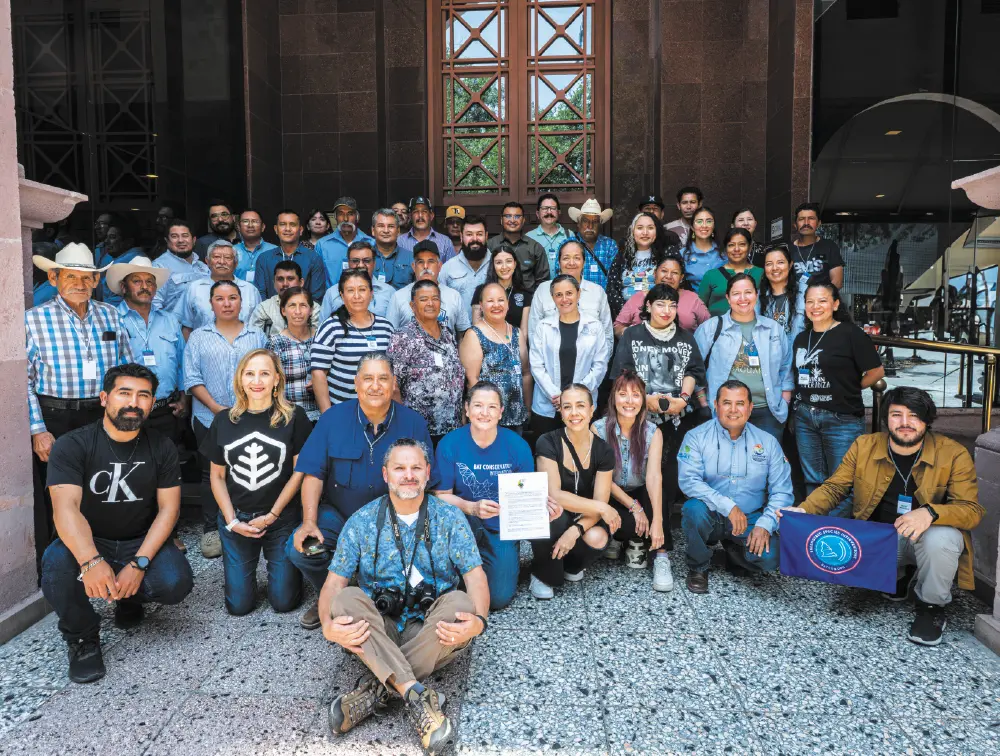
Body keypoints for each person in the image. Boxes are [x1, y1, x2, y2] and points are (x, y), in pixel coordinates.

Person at [321, 439, 487, 752]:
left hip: (429, 629)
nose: (408, 475)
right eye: (400, 468)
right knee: (343, 602)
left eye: (415, 468)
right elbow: (333, 584)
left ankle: (377, 689)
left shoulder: (450, 518)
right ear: (385, 474)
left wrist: (479, 622)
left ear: (427, 473)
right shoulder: (362, 520)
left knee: (462, 604)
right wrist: (327, 626)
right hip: (378, 627)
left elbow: (475, 576)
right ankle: (417, 694)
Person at [784, 387, 984, 646]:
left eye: (914, 416)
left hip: (920, 541)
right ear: (886, 418)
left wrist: (931, 512)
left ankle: (931, 609)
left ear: (927, 419)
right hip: (880, 541)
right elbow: (835, 488)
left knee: (942, 538)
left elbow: (971, 510)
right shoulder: (864, 446)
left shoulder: (953, 453)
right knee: (848, 543)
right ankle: (898, 577)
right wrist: (804, 510)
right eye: (896, 415)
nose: (904, 423)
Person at [40, 364, 193, 683]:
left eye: (143, 395)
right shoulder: (73, 444)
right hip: (90, 541)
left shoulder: (161, 445)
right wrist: (91, 560)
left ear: (152, 403)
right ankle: (82, 637)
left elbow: (168, 510)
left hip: (138, 539)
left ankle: (129, 596)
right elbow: (65, 509)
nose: (134, 402)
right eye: (124, 393)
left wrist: (139, 564)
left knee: (175, 581)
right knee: (55, 566)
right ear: (104, 398)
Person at [287, 352, 435, 630]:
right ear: (356, 383)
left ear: (393, 384)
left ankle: (369, 597)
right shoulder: (332, 419)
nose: (375, 385)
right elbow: (312, 474)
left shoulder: (413, 423)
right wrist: (308, 522)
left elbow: (426, 480)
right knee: (303, 550)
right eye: (368, 378)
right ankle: (333, 596)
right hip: (339, 517)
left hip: (394, 520)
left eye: (383, 378)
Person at [27, 244, 134, 569]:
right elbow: (24, 381)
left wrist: (126, 414)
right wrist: (38, 430)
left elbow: (126, 369)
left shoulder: (110, 315)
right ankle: (64, 569)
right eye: (71, 276)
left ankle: (106, 559)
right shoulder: (34, 320)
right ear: (54, 277)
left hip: (103, 417)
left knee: (107, 489)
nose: (80, 283)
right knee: (61, 494)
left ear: (95, 281)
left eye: (87, 278)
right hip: (56, 417)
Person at [202, 349, 313, 616]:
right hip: (236, 519)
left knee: (284, 602)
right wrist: (231, 522)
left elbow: (300, 473)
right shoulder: (224, 420)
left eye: (265, 373)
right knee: (239, 606)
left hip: (281, 519)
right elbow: (216, 476)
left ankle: (286, 574)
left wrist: (273, 515)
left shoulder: (294, 417)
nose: (257, 380)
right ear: (240, 379)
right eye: (250, 373)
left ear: (277, 379)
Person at [678, 380, 792, 594]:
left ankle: (735, 554)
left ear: (750, 408)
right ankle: (698, 566)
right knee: (693, 509)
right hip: (710, 514)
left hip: (750, 517)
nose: (733, 410)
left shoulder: (768, 443)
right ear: (715, 405)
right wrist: (728, 506)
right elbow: (689, 481)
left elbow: (782, 492)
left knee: (773, 556)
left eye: (740, 403)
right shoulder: (696, 437)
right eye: (726, 403)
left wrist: (765, 525)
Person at [611, 283, 706, 533]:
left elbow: (694, 370)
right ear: (648, 306)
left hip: (678, 419)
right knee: (634, 473)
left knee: (667, 477)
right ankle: (632, 533)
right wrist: (646, 399)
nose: (667, 310)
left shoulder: (686, 337)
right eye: (660, 304)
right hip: (638, 417)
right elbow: (623, 373)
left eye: (672, 305)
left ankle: (660, 536)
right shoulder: (633, 335)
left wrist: (683, 399)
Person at [183, 280, 268, 558]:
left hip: (252, 416)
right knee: (211, 474)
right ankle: (211, 529)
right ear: (211, 303)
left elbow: (267, 374)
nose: (227, 303)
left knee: (247, 469)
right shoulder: (198, 336)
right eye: (220, 298)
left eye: (233, 297)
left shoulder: (257, 336)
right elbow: (192, 377)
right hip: (209, 416)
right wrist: (218, 408)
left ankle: (249, 521)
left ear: (241, 302)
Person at [434, 382, 536, 610]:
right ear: (467, 409)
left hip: (502, 525)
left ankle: (505, 555)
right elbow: (440, 496)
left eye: (492, 407)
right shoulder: (450, 444)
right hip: (463, 522)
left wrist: (541, 506)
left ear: (501, 412)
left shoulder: (517, 445)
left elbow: (527, 493)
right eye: (478, 405)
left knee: (498, 599)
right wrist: (471, 507)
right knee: (449, 589)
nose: (484, 412)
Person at [793, 277, 884, 517]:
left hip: (841, 418)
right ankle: (814, 535)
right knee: (813, 480)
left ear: (835, 304)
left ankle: (834, 538)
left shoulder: (851, 334)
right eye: (810, 301)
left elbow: (877, 371)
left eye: (822, 300)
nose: (815, 306)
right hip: (805, 416)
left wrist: (852, 387)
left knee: (842, 483)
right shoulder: (802, 338)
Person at [530, 384, 617, 598]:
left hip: (584, 517)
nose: (574, 413)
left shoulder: (604, 450)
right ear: (560, 412)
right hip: (554, 512)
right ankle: (542, 573)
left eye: (580, 406)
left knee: (597, 536)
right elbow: (555, 494)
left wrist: (575, 530)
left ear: (591, 410)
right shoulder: (547, 441)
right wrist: (603, 507)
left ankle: (571, 564)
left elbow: (599, 502)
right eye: (567, 407)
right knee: (554, 514)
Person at [592, 371, 670, 591]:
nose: (629, 401)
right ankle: (625, 538)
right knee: (598, 493)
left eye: (636, 395)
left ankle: (661, 555)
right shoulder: (598, 429)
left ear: (643, 400)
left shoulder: (653, 432)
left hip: (640, 493)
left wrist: (658, 521)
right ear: (613, 398)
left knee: (659, 491)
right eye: (623, 394)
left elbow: (654, 477)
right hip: (611, 495)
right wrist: (634, 507)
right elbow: (602, 479)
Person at [694, 274, 792, 443]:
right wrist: (703, 401)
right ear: (728, 297)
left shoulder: (773, 329)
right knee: (726, 465)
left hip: (768, 412)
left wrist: (784, 403)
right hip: (726, 412)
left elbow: (786, 368)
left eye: (748, 292)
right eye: (736, 293)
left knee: (765, 465)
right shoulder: (711, 328)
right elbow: (693, 366)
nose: (743, 298)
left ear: (756, 294)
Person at [109, 257, 187, 444]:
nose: (145, 286)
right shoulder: (111, 319)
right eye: (137, 281)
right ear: (124, 286)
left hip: (166, 410)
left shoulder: (169, 320)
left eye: (150, 282)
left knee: (165, 466)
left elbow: (182, 363)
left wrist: (184, 398)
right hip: (127, 410)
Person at [529, 275, 611, 436]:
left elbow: (600, 366)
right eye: (559, 295)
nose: (564, 299)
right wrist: (557, 396)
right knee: (548, 455)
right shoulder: (543, 327)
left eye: (569, 293)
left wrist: (575, 397)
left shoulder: (595, 326)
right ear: (553, 298)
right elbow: (537, 366)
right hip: (549, 405)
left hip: (582, 407)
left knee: (580, 457)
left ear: (578, 294)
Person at [388, 280, 466, 443]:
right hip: (418, 430)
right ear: (412, 305)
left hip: (452, 428)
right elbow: (393, 386)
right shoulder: (403, 337)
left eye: (435, 298)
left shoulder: (448, 334)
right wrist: (403, 423)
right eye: (423, 299)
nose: (430, 303)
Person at [311, 269, 395, 412]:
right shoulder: (331, 327)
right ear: (342, 296)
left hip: (380, 411)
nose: (357, 296)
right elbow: (318, 373)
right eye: (350, 290)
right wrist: (328, 415)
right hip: (342, 410)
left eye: (362, 289)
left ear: (371, 293)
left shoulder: (386, 327)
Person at [460, 282, 530, 433]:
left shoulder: (516, 333)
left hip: (516, 415)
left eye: (500, 300)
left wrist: (528, 408)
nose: (496, 305)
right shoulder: (474, 334)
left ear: (507, 304)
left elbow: (525, 373)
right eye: (490, 301)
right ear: (481, 305)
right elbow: (472, 379)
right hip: (487, 418)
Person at [528, 239, 613, 355]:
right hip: (550, 364)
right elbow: (533, 332)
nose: (571, 263)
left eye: (577, 258)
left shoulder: (597, 292)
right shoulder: (543, 290)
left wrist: (599, 367)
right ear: (559, 262)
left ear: (584, 262)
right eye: (566, 258)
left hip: (592, 365)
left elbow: (607, 334)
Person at [385, 240, 471, 336]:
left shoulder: (454, 296)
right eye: (420, 262)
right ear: (413, 267)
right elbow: (390, 335)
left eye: (431, 261)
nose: (425, 266)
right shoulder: (398, 297)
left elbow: (463, 334)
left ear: (439, 266)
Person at [178, 240, 261, 336]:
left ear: (236, 263)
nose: (222, 262)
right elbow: (187, 327)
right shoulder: (194, 288)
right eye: (216, 257)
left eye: (227, 258)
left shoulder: (250, 290)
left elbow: (257, 327)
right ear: (207, 261)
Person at [614, 254, 709, 335]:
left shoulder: (692, 299)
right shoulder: (639, 297)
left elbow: (709, 327)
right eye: (664, 271)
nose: (668, 276)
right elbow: (618, 327)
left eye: (675, 273)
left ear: (681, 278)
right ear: (655, 273)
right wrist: (634, 335)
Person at [267, 286, 320, 422]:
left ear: (311, 310)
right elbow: (271, 381)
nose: (298, 311)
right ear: (283, 311)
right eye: (292, 306)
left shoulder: (321, 337)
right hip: (289, 416)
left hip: (321, 413)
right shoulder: (276, 342)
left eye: (303, 305)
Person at [253, 209, 327, 301]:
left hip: (304, 313)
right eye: (283, 224)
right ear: (276, 229)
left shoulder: (313, 258)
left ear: (300, 230)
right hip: (270, 313)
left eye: (292, 224)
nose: (287, 229)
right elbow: (260, 295)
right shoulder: (264, 259)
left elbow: (316, 297)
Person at [607, 212, 668, 318]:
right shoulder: (622, 255)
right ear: (632, 231)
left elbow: (671, 285)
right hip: (626, 315)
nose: (645, 232)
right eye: (640, 228)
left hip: (658, 315)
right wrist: (627, 312)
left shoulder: (665, 255)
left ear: (656, 231)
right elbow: (612, 288)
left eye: (650, 228)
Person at [319, 240, 396, 321]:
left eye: (366, 261)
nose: (361, 265)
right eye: (355, 261)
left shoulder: (389, 292)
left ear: (374, 263)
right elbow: (322, 327)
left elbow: (393, 328)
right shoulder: (332, 293)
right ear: (348, 263)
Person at [697, 228, 763, 316]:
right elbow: (699, 310)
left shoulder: (761, 273)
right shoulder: (711, 275)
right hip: (717, 328)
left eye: (742, 244)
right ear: (725, 248)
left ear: (750, 247)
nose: (736, 249)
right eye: (731, 245)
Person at [486, 201, 550, 292]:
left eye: (517, 216)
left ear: (523, 220)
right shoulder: (490, 245)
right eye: (508, 216)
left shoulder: (535, 247)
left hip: (528, 301)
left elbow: (543, 282)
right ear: (501, 220)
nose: (512, 220)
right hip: (497, 300)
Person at [250, 260, 323, 337]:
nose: (285, 284)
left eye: (290, 279)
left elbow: (319, 339)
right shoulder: (264, 308)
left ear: (301, 282)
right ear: (274, 283)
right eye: (280, 279)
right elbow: (255, 340)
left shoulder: (313, 308)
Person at [470, 242, 532, 333]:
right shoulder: (481, 291)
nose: (504, 267)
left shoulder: (525, 294)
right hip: (486, 343)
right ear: (493, 266)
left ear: (515, 264)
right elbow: (476, 327)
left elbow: (524, 331)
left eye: (509, 261)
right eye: (499, 262)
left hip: (515, 344)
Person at [315, 197, 376, 288]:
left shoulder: (371, 243)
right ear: (335, 217)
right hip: (333, 299)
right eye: (340, 214)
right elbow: (317, 280)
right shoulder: (323, 244)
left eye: (350, 214)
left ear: (357, 217)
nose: (345, 219)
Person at [152, 220, 211, 313]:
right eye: (174, 236)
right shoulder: (159, 266)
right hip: (175, 326)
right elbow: (154, 305)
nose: (180, 240)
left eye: (185, 236)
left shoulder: (203, 267)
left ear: (194, 240)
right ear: (167, 241)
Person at [440, 214, 492, 314]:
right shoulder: (448, 268)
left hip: (491, 328)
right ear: (461, 237)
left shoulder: (497, 265)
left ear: (486, 236)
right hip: (457, 329)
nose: (475, 239)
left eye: (479, 234)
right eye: (469, 234)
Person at [758, 244, 806, 343]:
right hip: (768, 355)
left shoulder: (805, 293)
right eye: (769, 264)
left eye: (780, 262)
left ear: (790, 265)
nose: (774, 268)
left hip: (797, 355)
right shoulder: (757, 296)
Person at [791, 202, 844, 287]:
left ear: (818, 223)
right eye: (801, 219)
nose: (806, 223)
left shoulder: (829, 246)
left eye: (811, 218)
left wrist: (820, 298)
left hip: (822, 298)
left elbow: (837, 281)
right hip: (794, 299)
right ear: (795, 225)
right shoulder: (787, 250)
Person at [567, 198, 618, 287]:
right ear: (578, 223)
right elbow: (560, 276)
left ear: (600, 224)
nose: (590, 226)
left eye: (595, 222)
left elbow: (616, 277)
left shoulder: (610, 245)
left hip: (603, 299)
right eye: (585, 221)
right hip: (576, 299)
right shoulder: (568, 245)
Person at [95, 217, 143, 305]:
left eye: (112, 237)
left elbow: (114, 304)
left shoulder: (125, 265)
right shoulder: (134, 258)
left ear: (129, 242)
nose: (106, 241)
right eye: (107, 237)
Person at [680, 206, 726, 290]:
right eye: (699, 221)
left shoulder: (724, 253)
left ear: (714, 225)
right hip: (694, 301)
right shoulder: (683, 254)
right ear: (692, 227)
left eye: (709, 221)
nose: (704, 225)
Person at [397, 196, 454, 262]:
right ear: (410, 216)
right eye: (416, 212)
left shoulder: (445, 242)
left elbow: (452, 270)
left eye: (424, 211)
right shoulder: (400, 242)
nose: (420, 215)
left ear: (431, 216)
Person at [369, 208, 415, 289]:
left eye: (390, 226)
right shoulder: (365, 257)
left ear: (398, 231)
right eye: (381, 226)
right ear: (373, 230)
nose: (386, 230)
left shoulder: (411, 258)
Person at [526, 193, 570, 273]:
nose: (549, 212)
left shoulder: (569, 235)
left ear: (558, 212)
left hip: (564, 284)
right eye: (544, 208)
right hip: (538, 285)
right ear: (537, 214)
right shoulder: (529, 237)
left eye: (553, 208)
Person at [233, 208, 278, 284]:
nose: (250, 225)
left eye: (255, 221)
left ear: (263, 227)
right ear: (238, 227)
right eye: (245, 221)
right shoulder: (232, 251)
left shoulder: (275, 251)